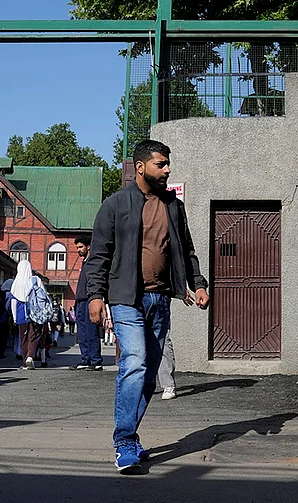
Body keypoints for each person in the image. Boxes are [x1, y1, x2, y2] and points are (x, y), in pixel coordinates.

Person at [86, 139, 209, 474]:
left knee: (149, 377)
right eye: (161, 164)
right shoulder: (115, 205)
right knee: (135, 363)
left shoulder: (173, 205)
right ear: (141, 167)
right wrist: (95, 296)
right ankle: (124, 441)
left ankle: (131, 435)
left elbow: (186, 248)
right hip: (126, 299)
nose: (167, 169)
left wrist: (198, 284)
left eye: (168, 163)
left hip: (160, 299)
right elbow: (99, 255)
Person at [70, 235, 103, 371]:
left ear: (88, 247)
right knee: (82, 333)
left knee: (91, 332)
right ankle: (85, 359)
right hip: (80, 302)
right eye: (77, 247)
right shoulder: (84, 262)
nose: (78, 250)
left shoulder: (92, 262)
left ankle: (95, 361)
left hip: (89, 300)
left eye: (81, 247)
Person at [8, 260, 45, 370]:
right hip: (34, 313)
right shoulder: (36, 280)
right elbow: (42, 296)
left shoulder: (16, 282)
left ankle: (25, 362)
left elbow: (13, 302)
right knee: (33, 336)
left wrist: (14, 317)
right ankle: (30, 357)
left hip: (20, 314)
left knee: (23, 338)